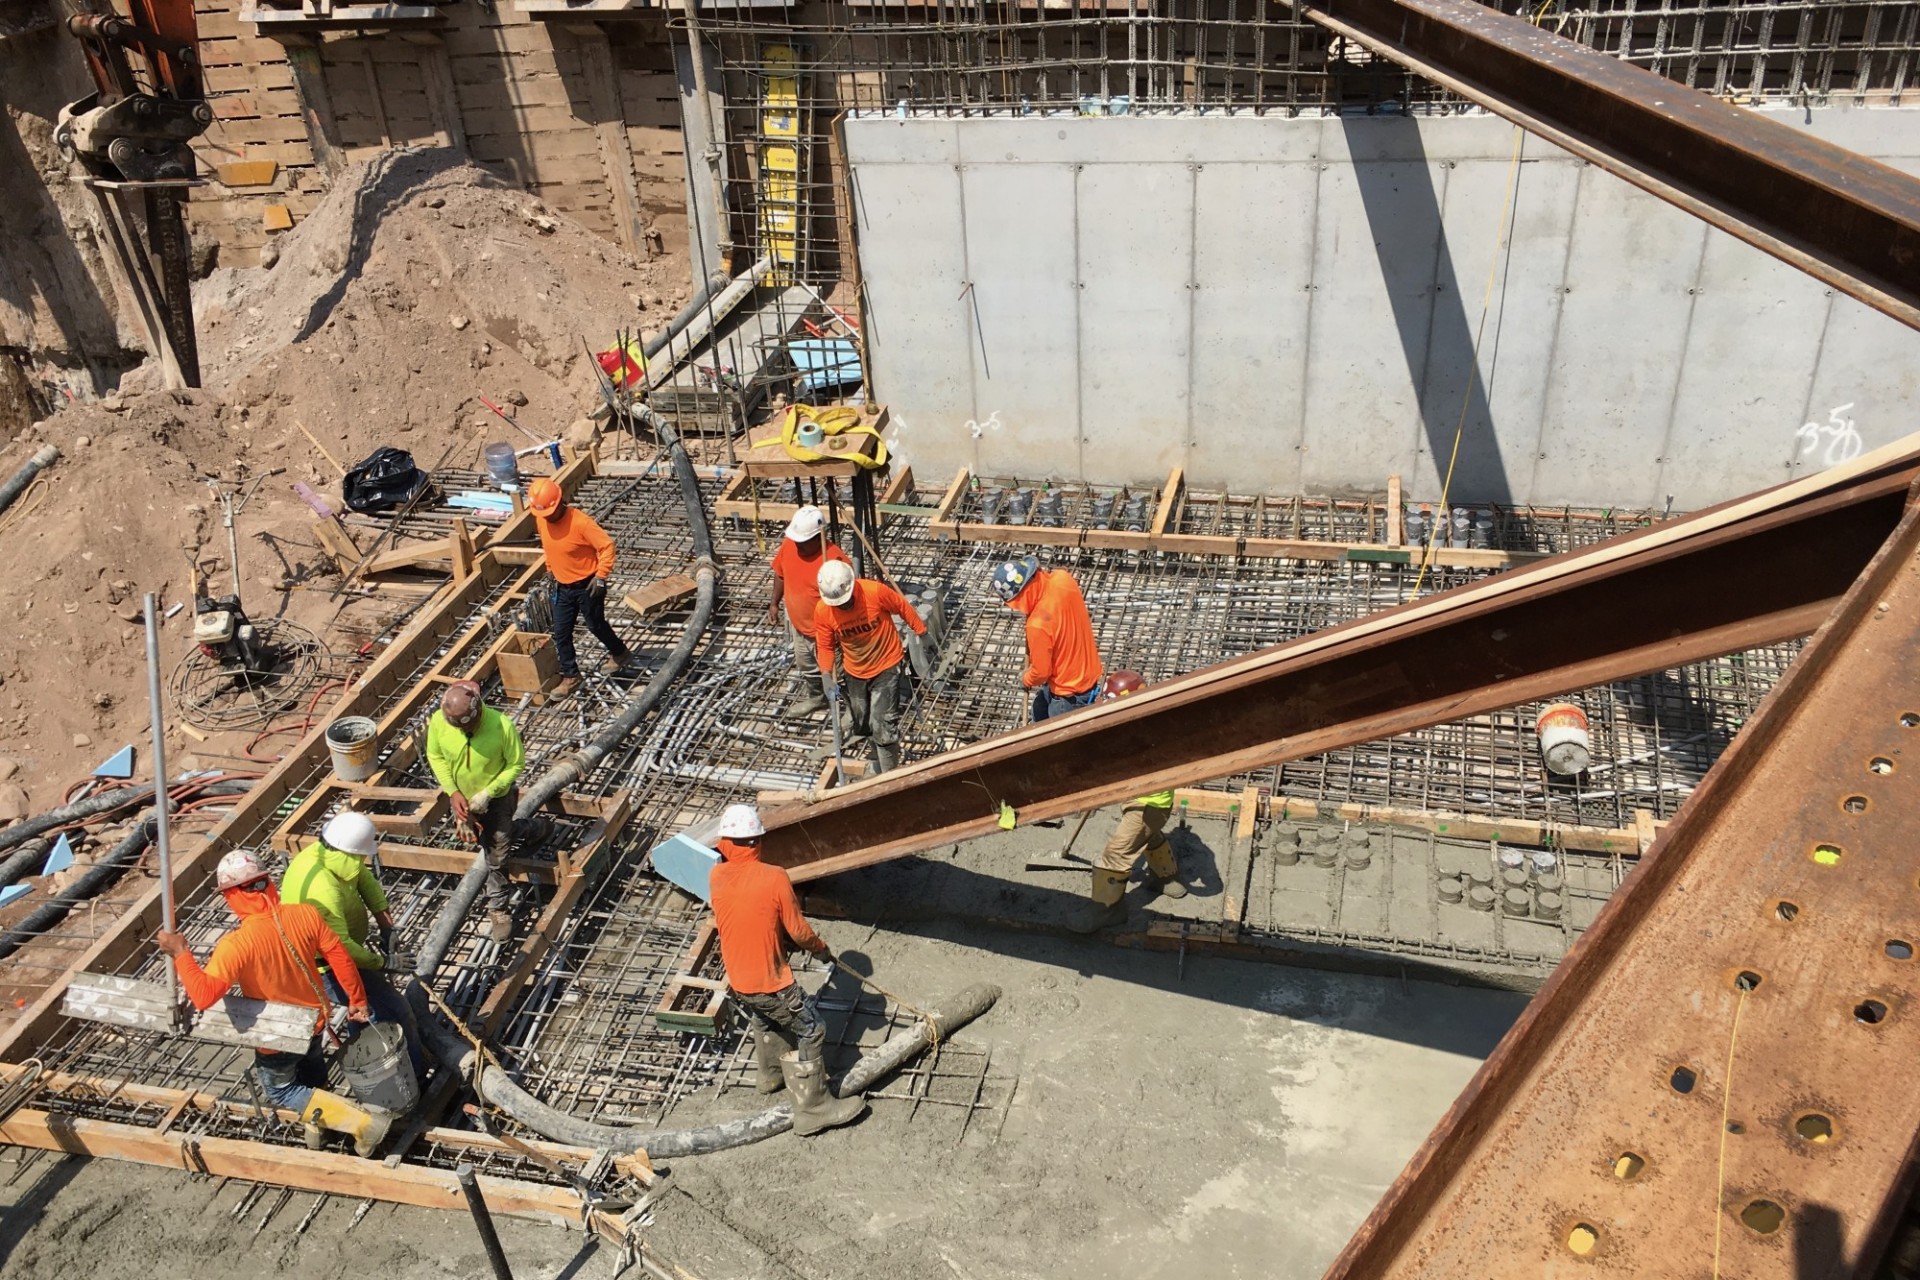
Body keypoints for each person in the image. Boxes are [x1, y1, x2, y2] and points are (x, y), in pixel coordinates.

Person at [155, 849, 391, 1156]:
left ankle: (361, 1124)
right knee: (313, 1075)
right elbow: (340, 957)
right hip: (315, 1021)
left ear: (232, 895)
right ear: (267, 882)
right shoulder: (305, 914)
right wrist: (357, 1000)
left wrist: (181, 953)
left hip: (277, 1037)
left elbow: (203, 995)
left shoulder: (238, 944)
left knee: (283, 1089)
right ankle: (320, 1132)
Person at [707, 803, 866, 1136]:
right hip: (770, 982)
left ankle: (770, 1076)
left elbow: (748, 913)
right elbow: (798, 930)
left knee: (764, 1017)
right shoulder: (774, 877)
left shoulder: (717, 875)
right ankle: (814, 1109)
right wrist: (821, 950)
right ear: (757, 842)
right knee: (812, 1028)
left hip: (739, 980)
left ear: (725, 842)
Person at [281, 810, 425, 1079]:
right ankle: (414, 1077)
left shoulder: (331, 856)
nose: (362, 861)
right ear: (347, 851)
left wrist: (386, 924)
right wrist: (385, 963)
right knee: (397, 1009)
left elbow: (363, 878)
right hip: (323, 967)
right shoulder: (321, 888)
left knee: (368, 1014)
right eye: (360, 856)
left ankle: (368, 1050)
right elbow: (341, 948)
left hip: (343, 954)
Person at [1079, 669, 1188, 931]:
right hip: (1144, 799)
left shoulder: (1147, 730)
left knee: (1116, 852)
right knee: (1147, 834)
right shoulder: (1149, 715)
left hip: (1150, 803)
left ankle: (1107, 911)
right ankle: (1167, 878)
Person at [426, 679, 526, 942]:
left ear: (478, 712)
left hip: (496, 799)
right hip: (461, 798)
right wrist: (453, 792)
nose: (465, 730)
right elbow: (435, 756)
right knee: (482, 840)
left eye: (469, 726)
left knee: (497, 856)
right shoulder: (439, 721)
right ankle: (533, 830)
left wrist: (489, 792)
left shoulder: (501, 726)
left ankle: (499, 908)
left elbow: (516, 764)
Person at [812, 560, 927, 775]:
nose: (843, 606)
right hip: (855, 670)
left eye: (846, 601)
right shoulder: (824, 611)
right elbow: (825, 645)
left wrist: (921, 630)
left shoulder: (874, 592)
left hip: (886, 665)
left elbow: (902, 606)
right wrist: (826, 674)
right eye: (838, 604)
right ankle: (878, 757)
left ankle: (889, 774)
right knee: (863, 722)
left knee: (883, 724)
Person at [527, 475, 632, 697]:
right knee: (561, 631)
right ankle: (571, 676)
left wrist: (601, 576)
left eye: (548, 512)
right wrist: (550, 570)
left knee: (595, 624)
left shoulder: (581, 522)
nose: (546, 517)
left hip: (588, 585)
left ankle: (620, 652)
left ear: (559, 502)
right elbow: (549, 547)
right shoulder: (542, 519)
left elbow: (607, 547)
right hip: (563, 586)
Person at [991, 554, 1102, 722]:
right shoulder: (1063, 578)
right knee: (1039, 709)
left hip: (1068, 695)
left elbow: (1041, 673)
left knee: (1057, 742)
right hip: (1087, 675)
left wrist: (1026, 679)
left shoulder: (1037, 625)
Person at [767, 505, 851, 716]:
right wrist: (774, 603)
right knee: (808, 668)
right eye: (797, 541)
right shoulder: (789, 546)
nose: (798, 546)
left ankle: (853, 709)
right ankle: (818, 698)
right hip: (799, 628)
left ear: (818, 538)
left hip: (827, 634)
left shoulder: (834, 561)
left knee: (840, 674)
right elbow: (780, 574)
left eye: (803, 543)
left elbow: (849, 601)